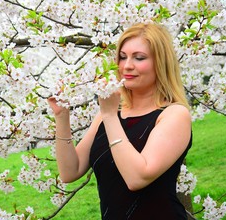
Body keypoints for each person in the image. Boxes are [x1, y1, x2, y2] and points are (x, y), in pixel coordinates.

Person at [48, 22, 192, 219]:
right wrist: (62, 117)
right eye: (122, 57)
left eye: (139, 58)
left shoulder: (173, 115)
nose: (127, 66)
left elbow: (136, 178)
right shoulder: (109, 114)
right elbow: (69, 172)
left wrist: (109, 116)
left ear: (161, 63)